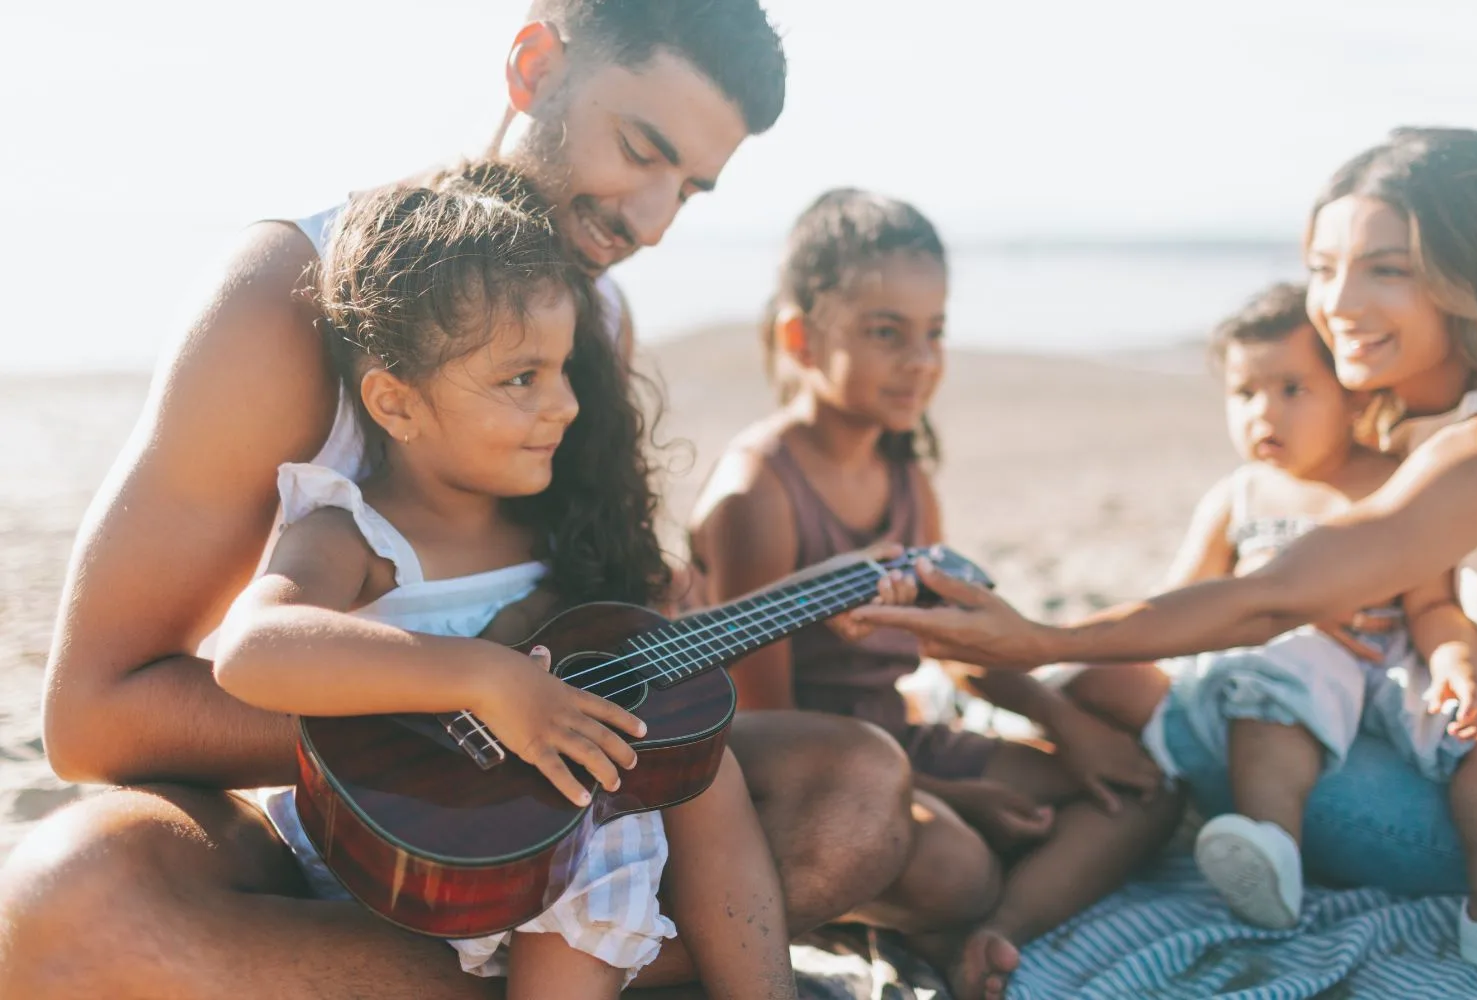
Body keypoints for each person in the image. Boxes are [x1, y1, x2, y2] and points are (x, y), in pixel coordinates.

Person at [0, 6, 928, 997]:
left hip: (554, 812)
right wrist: (459, 724)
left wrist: (601, 677)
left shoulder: (588, 326)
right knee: (68, 899)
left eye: (691, 190)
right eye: (641, 149)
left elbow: (583, 625)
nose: (654, 222)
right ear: (533, 65)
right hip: (334, 828)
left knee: (858, 794)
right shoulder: (293, 296)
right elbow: (94, 718)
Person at [849, 126, 1477, 976]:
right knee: (1239, 694)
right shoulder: (1427, 425)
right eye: (1322, 264)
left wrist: (1048, 643)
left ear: (1469, 273)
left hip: (1472, 808)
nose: (1337, 301)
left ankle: (1081, 789)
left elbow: (1273, 597)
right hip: (1452, 745)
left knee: (1219, 708)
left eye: (1388, 267)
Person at [210, 169, 797, 999]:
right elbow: (249, 650)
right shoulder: (356, 533)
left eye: (563, 371)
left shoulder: (552, 533)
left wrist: (651, 607)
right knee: (601, 827)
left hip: (537, 848)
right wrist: (484, 677)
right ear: (397, 403)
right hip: (402, 844)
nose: (562, 405)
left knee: (700, 776)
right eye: (521, 379)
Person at [688, 188, 1181, 999]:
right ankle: (927, 902)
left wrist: (1067, 729)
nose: (920, 360)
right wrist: (953, 797)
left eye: (935, 332)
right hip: (815, 784)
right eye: (887, 333)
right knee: (955, 865)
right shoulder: (758, 496)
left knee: (1139, 793)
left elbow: (955, 645)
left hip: (903, 741)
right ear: (801, 337)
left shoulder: (904, 474)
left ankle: (995, 935)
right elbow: (756, 724)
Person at [1074, 281, 1477, 934]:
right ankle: (1272, 847)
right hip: (1297, 671)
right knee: (1275, 676)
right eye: (1245, 393)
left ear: (1353, 393)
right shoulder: (1240, 497)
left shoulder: (1391, 479)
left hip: (1393, 660)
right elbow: (1178, 610)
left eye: (1292, 390)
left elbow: (1433, 604)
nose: (1264, 414)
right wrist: (1288, 606)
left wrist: (1457, 663)